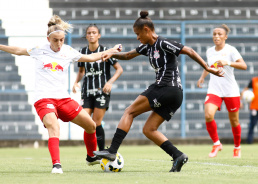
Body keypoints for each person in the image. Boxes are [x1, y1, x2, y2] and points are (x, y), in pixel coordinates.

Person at [93, 11, 224, 172]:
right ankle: (178, 156)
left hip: (166, 87)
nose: (137, 37)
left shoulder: (162, 43)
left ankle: (112, 151)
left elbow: (189, 50)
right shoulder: (147, 47)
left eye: (138, 33)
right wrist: (111, 53)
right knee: (149, 129)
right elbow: (127, 55)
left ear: (147, 30)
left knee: (129, 112)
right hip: (174, 94)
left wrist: (208, 68)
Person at [0, 15, 121, 174]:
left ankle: (91, 157)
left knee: (91, 126)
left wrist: (112, 50)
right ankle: (56, 165)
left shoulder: (68, 51)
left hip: (63, 99)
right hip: (44, 99)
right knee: (54, 126)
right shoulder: (39, 49)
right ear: (48, 39)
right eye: (55, 40)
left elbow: (92, 57)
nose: (59, 43)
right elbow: (18, 51)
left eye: (62, 40)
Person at [197, 24, 247, 158]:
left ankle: (237, 147)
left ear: (225, 36)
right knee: (208, 114)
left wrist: (228, 63)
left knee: (234, 121)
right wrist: (202, 77)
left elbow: (244, 65)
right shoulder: (209, 51)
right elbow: (209, 66)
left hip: (231, 90)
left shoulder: (231, 50)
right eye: (214, 34)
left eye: (219, 34)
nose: (216, 36)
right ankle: (216, 144)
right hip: (214, 89)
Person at [72, 24, 123, 151]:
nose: (91, 35)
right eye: (89, 33)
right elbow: (82, 71)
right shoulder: (82, 52)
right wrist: (75, 82)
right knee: (86, 121)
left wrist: (110, 82)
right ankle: (91, 152)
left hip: (101, 91)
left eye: (94, 32)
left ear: (99, 35)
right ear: (86, 36)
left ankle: (101, 152)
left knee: (96, 122)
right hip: (86, 91)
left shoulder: (105, 51)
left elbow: (119, 69)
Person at [241, 77, 258, 144]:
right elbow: (245, 89)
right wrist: (241, 101)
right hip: (254, 107)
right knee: (252, 124)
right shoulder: (254, 80)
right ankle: (249, 141)